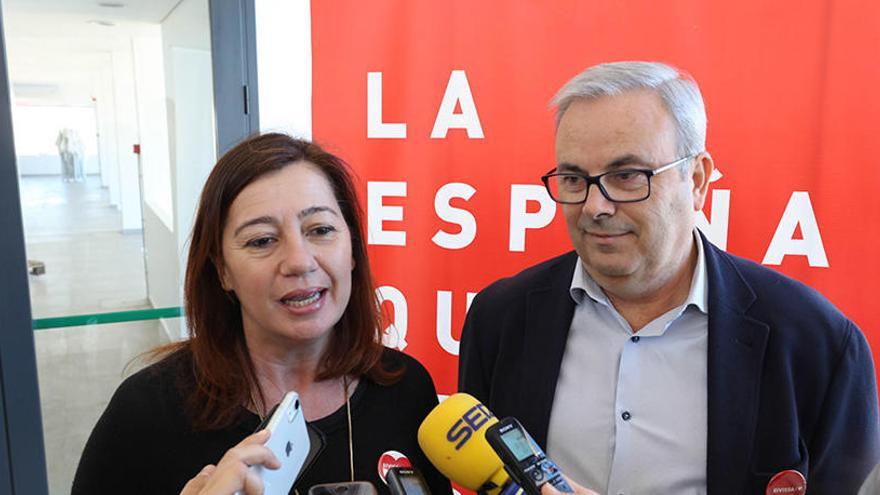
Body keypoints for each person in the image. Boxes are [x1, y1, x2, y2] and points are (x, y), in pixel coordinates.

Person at [458, 61, 880, 494]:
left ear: (696, 180)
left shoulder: (816, 342)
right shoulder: (500, 318)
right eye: (573, 178)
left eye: (626, 177)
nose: (594, 207)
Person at [72, 133, 451, 495]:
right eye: (262, 240)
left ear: (352, 249)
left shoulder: (405, 387)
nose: (300, 261)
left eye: (320, 229)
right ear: (222, 270)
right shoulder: (147, 413)